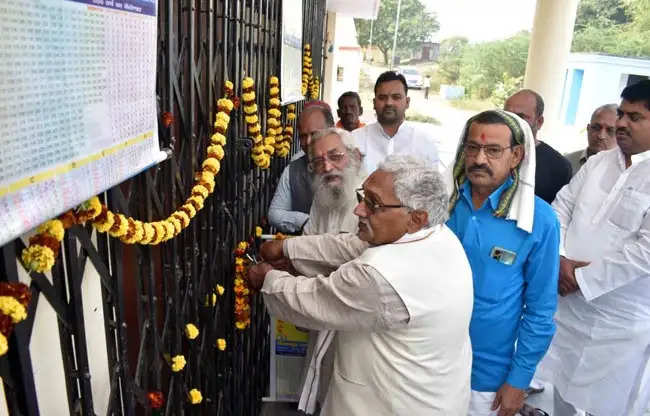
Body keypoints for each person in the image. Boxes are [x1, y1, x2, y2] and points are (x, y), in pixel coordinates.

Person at [249, 155, 473, 415]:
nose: (359, 210)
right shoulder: (436, 235)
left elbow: (317, 300)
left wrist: (268, 278)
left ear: (416, 218)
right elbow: (352, 246)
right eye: (363, 197)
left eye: (373, 204)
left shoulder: (380, 275)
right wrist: (287, 247)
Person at [536, 80, 650, 416]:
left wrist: (582, 279)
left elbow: (645, 251)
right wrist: (557, 260)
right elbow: (562, 206)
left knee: (611, 403)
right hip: (571, 308)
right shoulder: (600, 163)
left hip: (619, 319)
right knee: (563, 389)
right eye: (622, 114)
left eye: (635, 117)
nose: (621, 124)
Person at [446, 110, 560, 416]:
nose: (479, 159)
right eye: (472, 148)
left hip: (485, 380)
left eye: (493, 150)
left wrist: (518, 381)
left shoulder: (538, 221)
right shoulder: (442, 204)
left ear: (516, 156)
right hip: (428, 363)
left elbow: (540, 311)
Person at [297, 127, 366, 414]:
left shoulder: (370, 200)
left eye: (335, 156)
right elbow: (307, 247)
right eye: (318, 161)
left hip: (357, 327)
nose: (327, 167)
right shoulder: (322, 197)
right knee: (324, 389)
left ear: (355, 157)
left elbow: (360, 259)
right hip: (322, 311)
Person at [352, 71, 440, 175]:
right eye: (382, 98)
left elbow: (432, 188)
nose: (389, 103)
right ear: (374, 103)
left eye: (396, 97)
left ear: (407, 102)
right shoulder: (354, 140)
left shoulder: (425, 144)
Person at [268, 102, 334, 233]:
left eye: (315, 134)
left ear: (331, 131)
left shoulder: (350, 164)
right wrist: (306, 221)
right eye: (303, 136)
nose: (309, 142)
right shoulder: (293, 170)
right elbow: (274, 214)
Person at [504, 89, 572, 204]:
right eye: (508, 116)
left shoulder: (559, 166)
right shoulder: (486, 153)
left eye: (520, 117)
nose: (512, 122)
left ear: (539, 122)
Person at [565, 104, 618, 175]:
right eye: (596, 128)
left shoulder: (625, 172)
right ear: (588, 128)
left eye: (610, 130)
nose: (601, 136)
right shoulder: (566, 162)